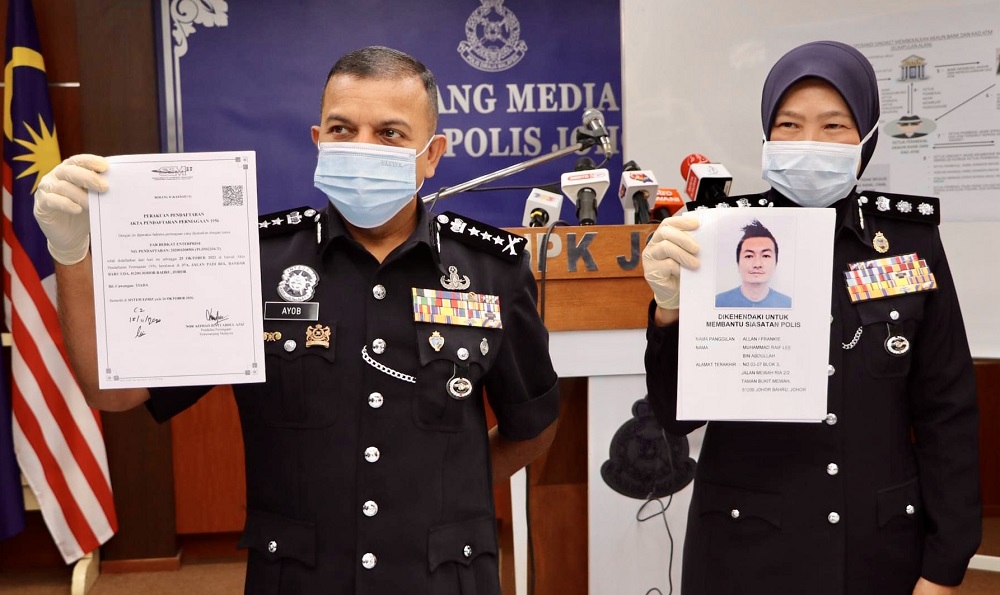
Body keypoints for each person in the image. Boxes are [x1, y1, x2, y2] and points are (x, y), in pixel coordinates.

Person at [32, 46, 560, 594]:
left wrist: (445, 491)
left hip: (443, 577)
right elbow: (113, 391)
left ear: (432, 155)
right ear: (317, 141)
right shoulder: (249, 262)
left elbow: (534, 425)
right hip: (300, 578)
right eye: (342, 128)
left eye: (389, 133)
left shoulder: (491, 268)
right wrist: (70, 252)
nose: (362, 147)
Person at [641, 41, 980, 595]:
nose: (810, 144)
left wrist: (945, 565)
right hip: (745, 550)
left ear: (866, 138)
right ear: (767, 137)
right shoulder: (719, 237)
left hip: (882, 549)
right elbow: (677, 417)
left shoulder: (908, 246)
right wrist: (668, 309)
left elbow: (948, 412)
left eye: (835, 126)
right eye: (790, 125)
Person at [714, 218, 792, 308]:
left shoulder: (787, 304)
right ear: (738, 263)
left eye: (766, 256)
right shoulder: (718, 302)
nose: (757, 264)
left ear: (776, 262)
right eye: (749, 256)